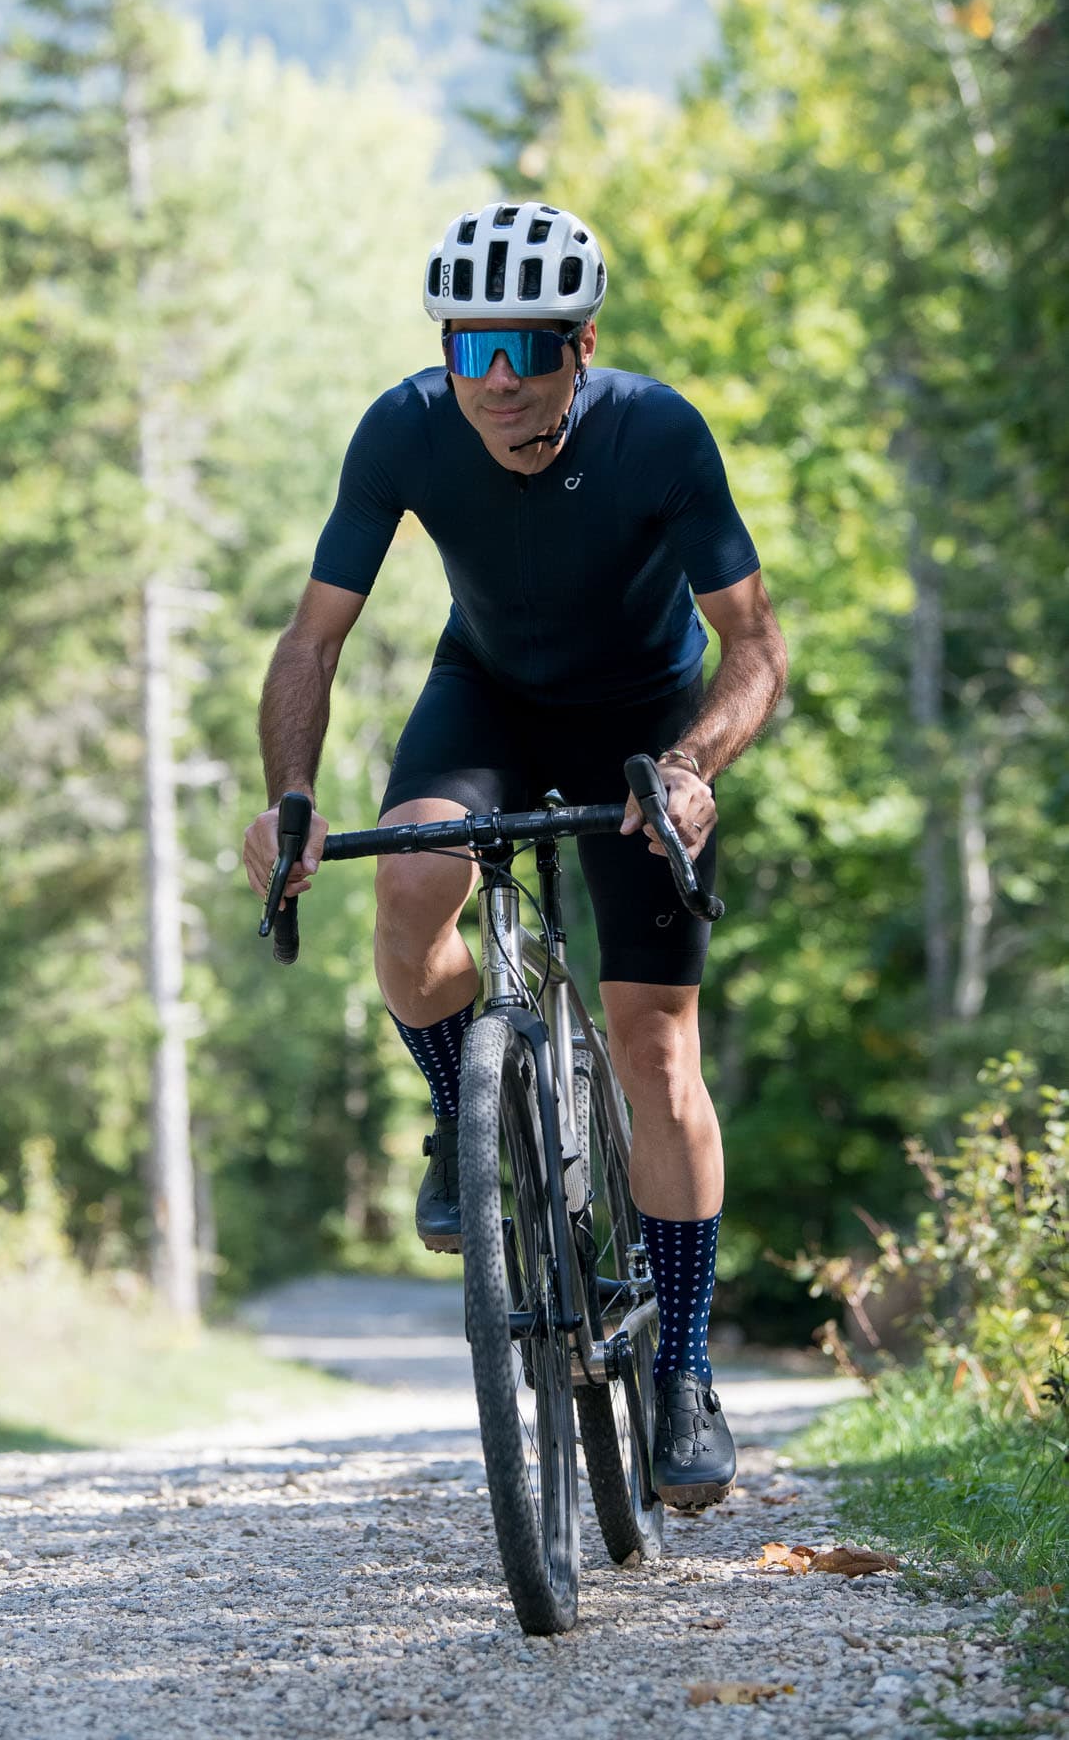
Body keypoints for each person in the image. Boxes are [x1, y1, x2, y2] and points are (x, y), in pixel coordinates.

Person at [243, 200, 787, 1507]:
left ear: (579, 344)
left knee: (657, 1049)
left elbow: (755, 647)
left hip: (644, 728)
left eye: (522, 351)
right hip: (486, 697)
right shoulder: (406, 429)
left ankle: (687, 1372)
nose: (491, 381)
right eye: (466, 346)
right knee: (412, 885)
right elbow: (312, 641)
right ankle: (463, 1108)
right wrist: (294, 795)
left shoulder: (659, 433)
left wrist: (692, 769)